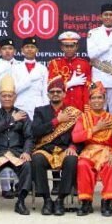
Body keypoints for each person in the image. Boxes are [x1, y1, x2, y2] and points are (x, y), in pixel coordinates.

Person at [30, 76, 80, 216]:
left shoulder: (73, 113)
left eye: (58, 91)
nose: (55, 94)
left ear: (64, 94)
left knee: (72, 160)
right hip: (46, 149)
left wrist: (73, 147)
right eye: (52, 92)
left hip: (64, 149)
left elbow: (78, 134)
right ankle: (46, 200)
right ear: (48, 95)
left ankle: (60, 200)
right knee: (37, 160)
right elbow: (35, 131)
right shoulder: (40, 111)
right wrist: (56, 121)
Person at [0, 75, 34, 215]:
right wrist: (12, 119)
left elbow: (29, 137)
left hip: (17, 153)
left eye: (10, 96)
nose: (7, 98)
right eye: (4, 96)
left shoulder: (23, 115)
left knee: (27, 165)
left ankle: (21, 202)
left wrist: (26, 152)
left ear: (15, 97)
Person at [72, 82, 112, 216]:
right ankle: (86, 202)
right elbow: (76, 137)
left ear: (105, 100)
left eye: (100, 98)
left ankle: (107, 201)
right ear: (89, 101)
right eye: (94, 98)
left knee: (110, 165)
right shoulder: (83, 118)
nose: (97, 101)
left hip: (106, 151)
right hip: (89, 152)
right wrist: (96, 128)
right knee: (82, 164)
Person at [48, 31, 92, 113]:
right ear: (62, 47)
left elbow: (87, 88)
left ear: (77, 46)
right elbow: (51, 87)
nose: (69, 49)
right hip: (60, 106)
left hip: (79, 106)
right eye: (66, 46)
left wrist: (86, 106)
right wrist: (70, 83)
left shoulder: (84, 64)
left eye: (72, 46)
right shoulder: (54, 64)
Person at [12, 37, 48, 116]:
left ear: (37, 50)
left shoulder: (42, 68)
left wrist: (46, 109)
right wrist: (30, 79)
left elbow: (45, 91)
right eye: (27, 47)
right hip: (20, 106)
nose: (29, 49)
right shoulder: (15, 68)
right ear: (22, 50)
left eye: (32, 47)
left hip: (38, 106)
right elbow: (14, 90)